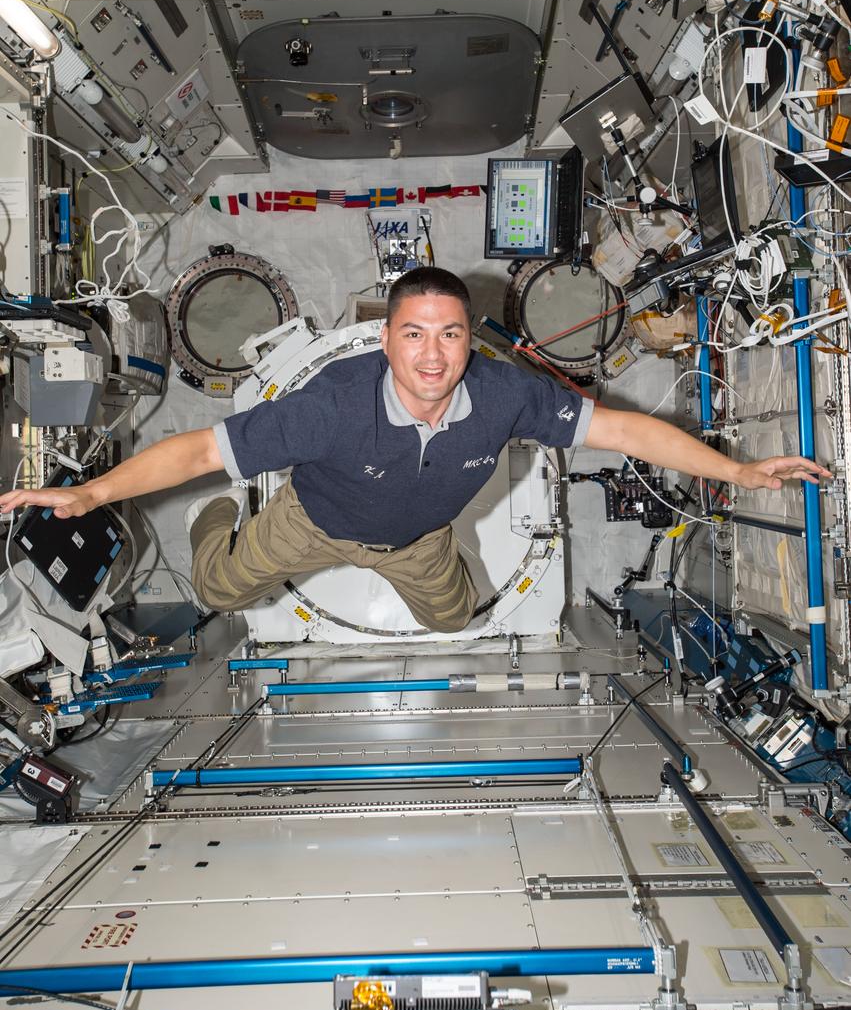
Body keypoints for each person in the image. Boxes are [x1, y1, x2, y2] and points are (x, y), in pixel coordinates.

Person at [0, 267, 830, 631]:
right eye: (412, 334)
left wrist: (737, 469)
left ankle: (417, 573)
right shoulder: (328, 407)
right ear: (387, 339)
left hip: (418, 540)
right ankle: (223, 526)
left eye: (449, 334)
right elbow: (193, 453)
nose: (431, 355)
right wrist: (89, 495)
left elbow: (620, 429)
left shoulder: (509, 394)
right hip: (313, 520)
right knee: (219, 588)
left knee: (453, 614)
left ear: (471, 341)